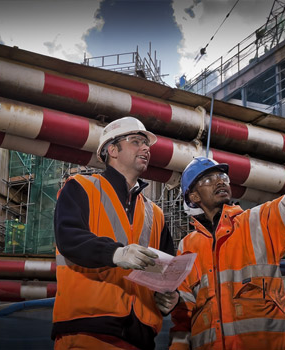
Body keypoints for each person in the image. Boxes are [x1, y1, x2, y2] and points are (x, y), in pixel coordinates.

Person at [169, 106, 285, 350]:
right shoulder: (187, 247)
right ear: (193, 196)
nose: (219, 181)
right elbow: (182, 318)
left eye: (222, 178)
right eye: (208, 180)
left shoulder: (258, 222)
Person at [52, 116, 179, 350]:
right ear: (112, 150)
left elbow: (165, 272)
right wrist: (116, 253)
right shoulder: (81, 187)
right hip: (87, 332)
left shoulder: (156, 214)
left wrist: (170, 297)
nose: (145, 148)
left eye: (146, 144)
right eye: (136, 141)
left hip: (141, 337)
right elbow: (69, 238)